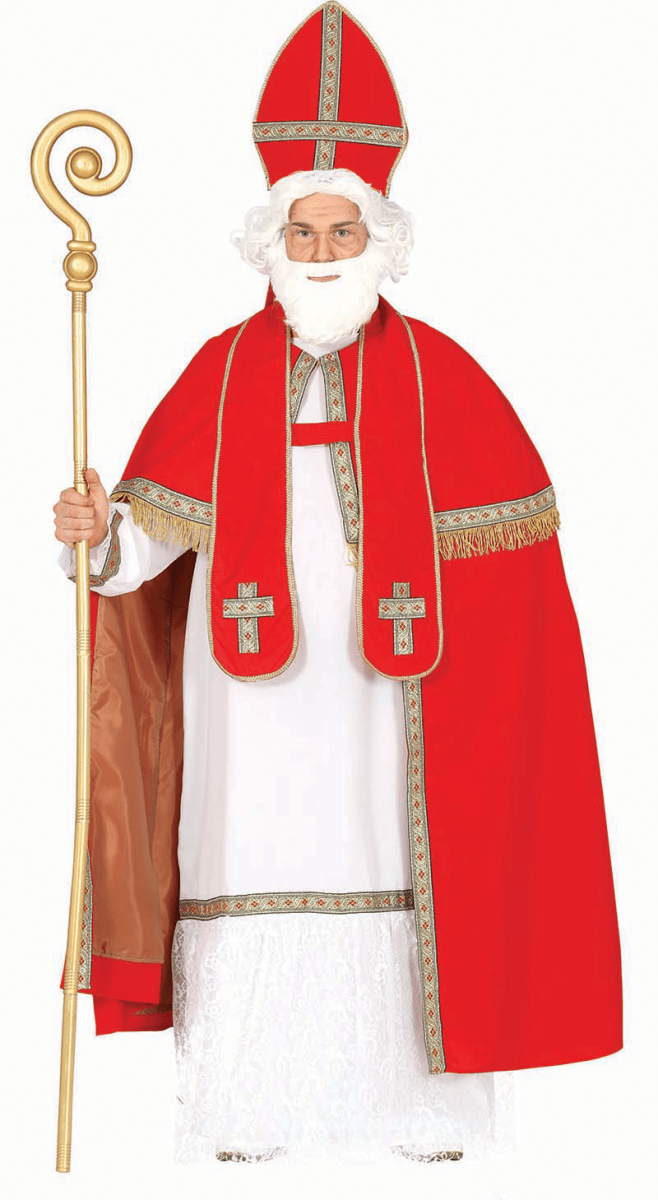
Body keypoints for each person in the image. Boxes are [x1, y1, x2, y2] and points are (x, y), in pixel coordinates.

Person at [52, 2, 622, 1168]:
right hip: (246, 705)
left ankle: (419, 1113)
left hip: (390, 701)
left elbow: (515, 593)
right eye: (301, 230)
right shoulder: (216, 375)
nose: (320, 249)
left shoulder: (447, 379)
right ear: (270, 241)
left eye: (339, 228)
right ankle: (247, 1110)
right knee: (248, 854)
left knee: (391, 862)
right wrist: (95, 534)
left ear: (380, 238)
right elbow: (139, 556)